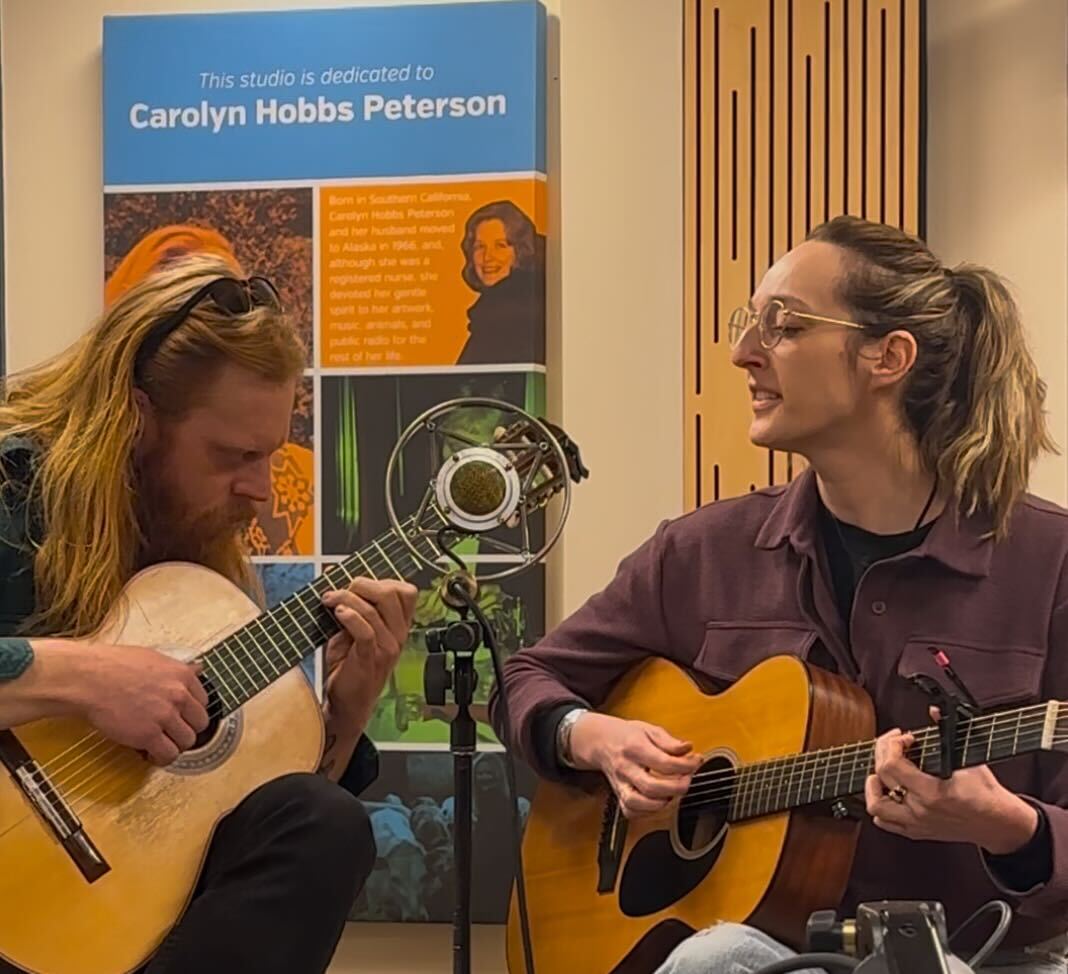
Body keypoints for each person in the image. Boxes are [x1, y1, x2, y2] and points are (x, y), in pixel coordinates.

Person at [492, 215, 1068, 973]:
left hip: (980, 958)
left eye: (784, 326)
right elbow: (526, 679)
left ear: (887, 358)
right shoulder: (701, 552)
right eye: (749, 324)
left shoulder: (1048, 562)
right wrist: (590, 737)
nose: (742, 354)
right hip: (766, 953)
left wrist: (1008, 827)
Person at [0, 254, 417, 973]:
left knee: (323, 824)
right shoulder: (13, 491)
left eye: (270, 455)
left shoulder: (190, 546)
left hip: (110, 913)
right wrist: (85, 677)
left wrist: (344, 715)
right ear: (135, 416)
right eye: (232, 455)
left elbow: (217, 814)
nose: (258, 488)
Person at [455, 200, 545, 366]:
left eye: (501, 246)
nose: (487, 257)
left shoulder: (511, 315)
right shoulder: (491, 312)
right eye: (479, 247)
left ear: (521, 251)